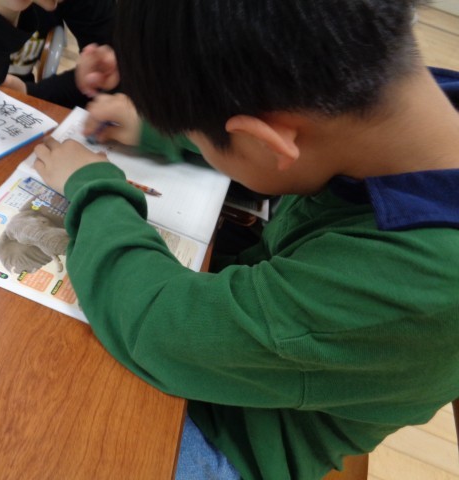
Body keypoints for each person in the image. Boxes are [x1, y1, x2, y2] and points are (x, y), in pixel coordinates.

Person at [32, 0, 459, 478]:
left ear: (267, 140)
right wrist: (159, 130)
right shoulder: (399, 98)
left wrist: (93, 186)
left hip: (232, 439)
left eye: (197, 133)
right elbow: (291, 143)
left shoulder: (417, 280)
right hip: (250, 355)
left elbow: (159, 330)